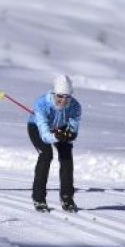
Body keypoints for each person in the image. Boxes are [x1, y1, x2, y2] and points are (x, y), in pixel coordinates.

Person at [27, 74, 82, 212]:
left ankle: (67, 197)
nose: (63, 101)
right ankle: (38, 197)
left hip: (60, 127)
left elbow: (73, 128)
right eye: (59, 97)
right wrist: (56, 136)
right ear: (53, 93)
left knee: (66, 157)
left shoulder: (75, 106)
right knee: (46, 155)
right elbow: (45, 135)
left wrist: (69, 134)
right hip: (37, 127)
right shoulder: (41, 104)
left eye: (67, 97)